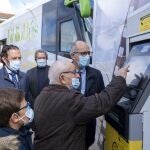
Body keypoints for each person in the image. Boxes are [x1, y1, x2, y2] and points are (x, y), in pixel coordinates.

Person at [34, 60, 128, 150]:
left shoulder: (42, 96)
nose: (78, 75)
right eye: (74, 72)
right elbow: (101, 102)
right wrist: (119, 79)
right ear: (62, 78)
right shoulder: (69, 100)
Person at [70, 40, 105, 147]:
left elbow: (102, 97)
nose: (87, 56)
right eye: (83, 53)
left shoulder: (96, 74)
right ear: (73, 56)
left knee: (86, 144)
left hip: (89, 122)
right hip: (70, 122)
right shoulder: (64, 72)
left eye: (88, 53)